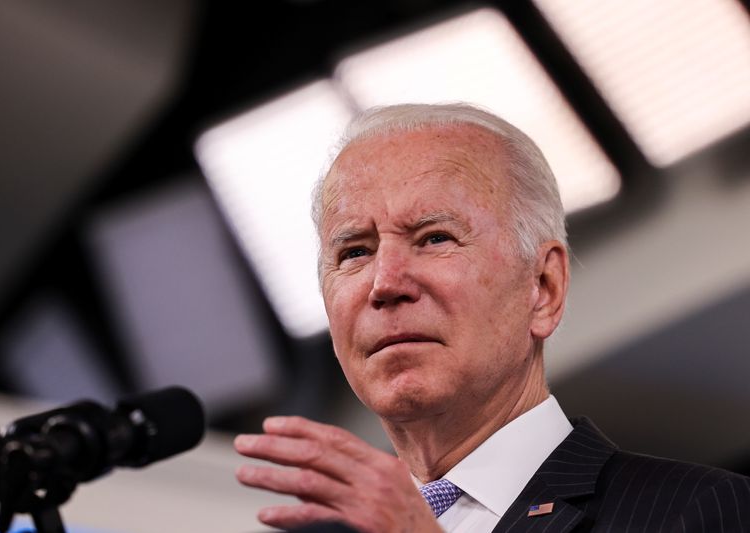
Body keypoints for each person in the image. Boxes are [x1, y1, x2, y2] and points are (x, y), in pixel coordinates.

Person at [233, 102, 750, 532]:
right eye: (354, 252)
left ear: (543, 288)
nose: (384, 283)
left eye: (435, 238)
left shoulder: (703, 512)